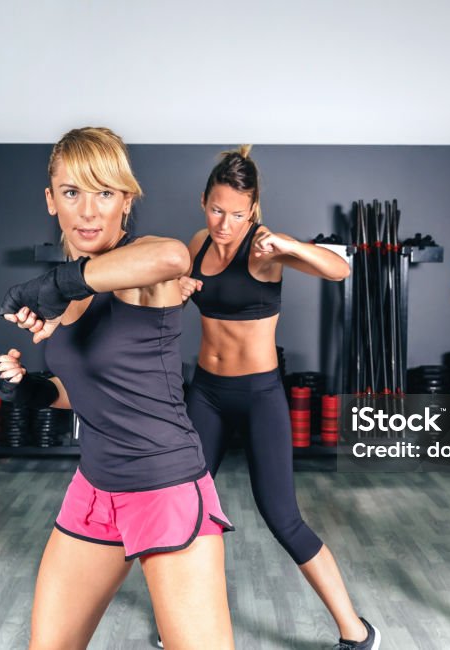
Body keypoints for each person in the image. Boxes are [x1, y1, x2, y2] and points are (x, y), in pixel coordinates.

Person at [0, 127, 235, 650]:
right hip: (96, 488)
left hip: (164, 486)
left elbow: (173, 257)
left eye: (105, 192)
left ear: (127, 200)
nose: (88, 211)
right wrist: (31, 390)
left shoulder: (141, 264)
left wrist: (55, 284)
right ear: (51, 200)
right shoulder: (73, 291)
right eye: (73, 192)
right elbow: (88, 390)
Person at [178, 146, 380, 649]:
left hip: (259, 393)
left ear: (255, 211)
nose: (225, 223)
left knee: (281, 515)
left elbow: (340, 270)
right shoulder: (199, 242)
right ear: (204, 201)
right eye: (217, 209)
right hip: (206, 392)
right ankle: (182, 624)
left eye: (239, 213)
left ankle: (355, 632)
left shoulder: (265, 249)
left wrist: (289, 243)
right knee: (182, 508)